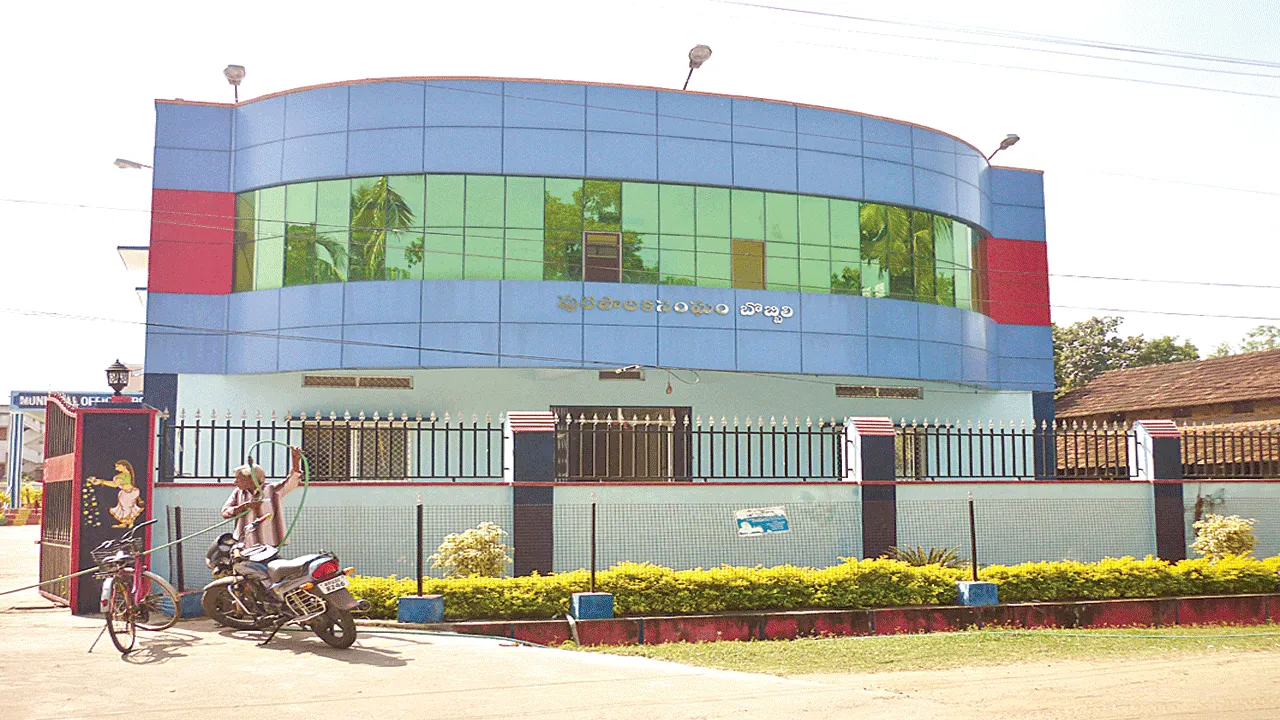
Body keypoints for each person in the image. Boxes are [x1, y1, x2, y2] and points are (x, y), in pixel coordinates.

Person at [221, 446, 304, 548]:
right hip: (245, 544)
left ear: (251, 478)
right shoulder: (238, 493)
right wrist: (244, 507)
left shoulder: (273, 489)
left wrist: (295, 461)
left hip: (269, 544)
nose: (235, 482)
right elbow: (225, 512)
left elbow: (292, 481)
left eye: (239, 479)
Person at [87, 460, 144, 528]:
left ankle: (128, 522)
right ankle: (126, 522)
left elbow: (115, 484)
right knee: (125, 508)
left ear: (124, 466)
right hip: (128, 492)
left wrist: (102, 481)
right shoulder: (127, 474)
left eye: (117, 466)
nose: (116, 469)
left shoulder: (122, 476)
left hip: (129, 493)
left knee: (126, 508)